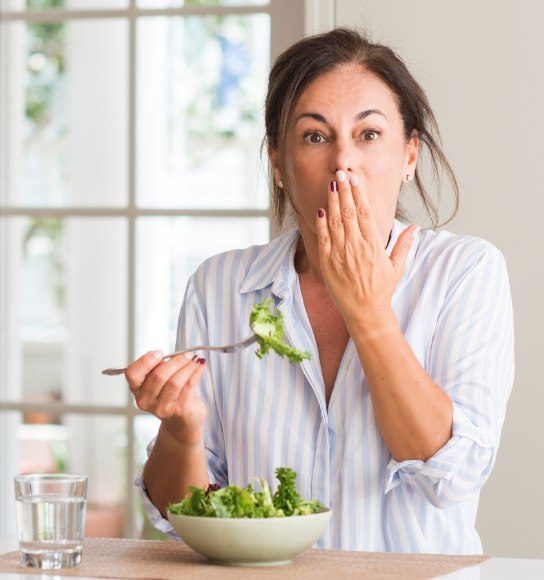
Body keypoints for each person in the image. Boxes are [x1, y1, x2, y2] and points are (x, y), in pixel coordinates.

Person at [128, 27, 514, 554]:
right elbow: (185, 512)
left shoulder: (465, 272)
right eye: (314, 136)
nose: (342, 162)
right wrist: (180, 433)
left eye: (369, 135)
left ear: (409, 156)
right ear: (279, 163)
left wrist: (371, 314)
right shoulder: (218, 286)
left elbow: (450, 478)